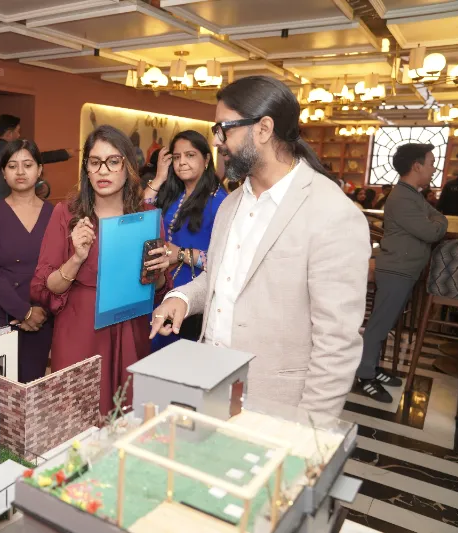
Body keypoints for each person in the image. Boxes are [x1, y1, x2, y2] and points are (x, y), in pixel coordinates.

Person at [150, 76, 370, 417]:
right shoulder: (231, 204)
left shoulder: (331, 212)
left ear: (264, 129)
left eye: (223, 129)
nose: (217, 141)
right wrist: (182, 298)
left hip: (276, 403)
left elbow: (337, 343)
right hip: (211, 384)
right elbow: (221, 278)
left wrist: (309, 430)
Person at [31, 125, 172, 414]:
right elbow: (45, 287)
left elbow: (158, 289)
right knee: (77, 412)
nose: (103, 171)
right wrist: (76, 258)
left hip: (129, 326)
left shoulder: (146, 217)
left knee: (127, 414)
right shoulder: (66, 214)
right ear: (86, 168)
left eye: (113, 161)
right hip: (81, 326)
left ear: (127, 167)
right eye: (95, 162)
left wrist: (157, 273)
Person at [355, 143, 448, 402]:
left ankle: (371, 367)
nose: (433, 169)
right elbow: (433, 230)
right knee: (379, 324)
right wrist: (439, 221)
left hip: (404, 269)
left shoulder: (411, 195)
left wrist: (438, 219)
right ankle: (365, 375)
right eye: (431, 163)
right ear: (416, 166)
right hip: (396, 269)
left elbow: (436, 217)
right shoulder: (402, 197)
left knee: (385, 323)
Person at [0, 139, 54, 383]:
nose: (20, 172)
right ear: (3, 172)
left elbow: (59, 268)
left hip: (41, 317)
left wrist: (38, 312)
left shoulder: (54, 214)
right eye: (12, 166)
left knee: (32, 385)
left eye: (27, 165)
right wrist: (24, 312)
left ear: (40, 169)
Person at [145, 130, 228, 351]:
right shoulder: (175, 195)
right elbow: (141, 215)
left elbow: (225, 263)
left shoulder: (220, 203)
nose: (182, 162)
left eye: (190, 155)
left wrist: (181, 254)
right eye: (176, 157)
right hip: (162, 288)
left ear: (207, 159)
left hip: (194, 299)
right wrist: (160, 178)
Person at [0, 114, 72, 164]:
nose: (19, 135)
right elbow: (36, 158)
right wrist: (64, 153)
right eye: (18, 131)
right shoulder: (7, 151)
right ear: (9, 134)